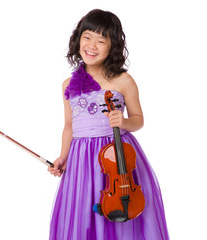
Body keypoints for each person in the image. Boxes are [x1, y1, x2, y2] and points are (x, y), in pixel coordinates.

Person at [47, 9, 169, 240]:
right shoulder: (67, 84)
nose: (92, 45)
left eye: (101, 40)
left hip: (117, 157)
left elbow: (138, 119)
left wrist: (123, 122)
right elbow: (69, 126)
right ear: (78, 39)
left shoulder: (123, 80)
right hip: (81, 159)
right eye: (87, 37)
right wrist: (63, 156)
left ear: (112, 46)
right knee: (84, 214)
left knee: (121, 213)